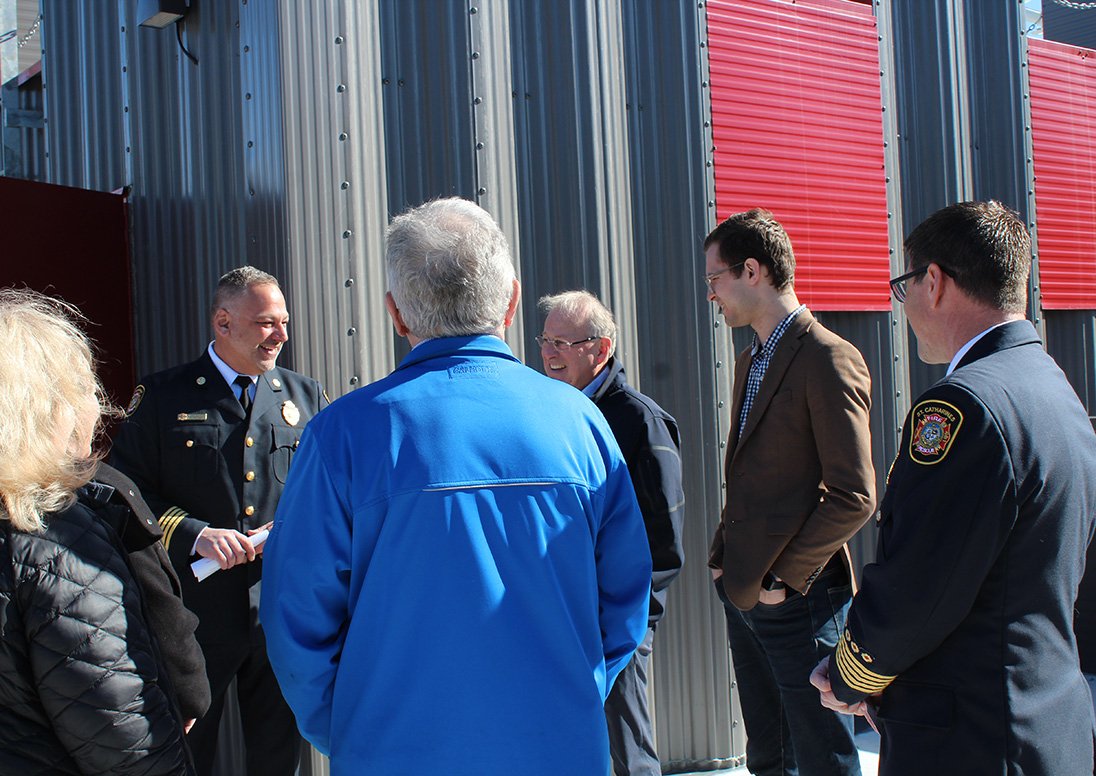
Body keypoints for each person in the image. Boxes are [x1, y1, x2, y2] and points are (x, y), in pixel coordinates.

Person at [260, 197, 652, 775]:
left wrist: (351, 726)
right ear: (513, 302)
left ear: (396, 314)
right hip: (558, 746)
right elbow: (625, 598)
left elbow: (296, 618)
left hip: (390, 751)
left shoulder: (342, 434)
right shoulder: (580, 422)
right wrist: (570, 694)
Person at [811, 200, 1096, 775]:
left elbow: (922, 581)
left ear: (934, 282)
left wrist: (851, 672)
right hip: (1045, 718)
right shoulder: (1051, 386)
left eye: (905, 285)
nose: (906, 305)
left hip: (971, 735)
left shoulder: (961, 405)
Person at [110, 267, 328, 776]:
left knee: (279, 755)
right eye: (266, 323)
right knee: (188, 752)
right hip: (194, 615)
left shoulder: (303, 395)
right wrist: (195, 533)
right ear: (223, 322)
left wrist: (292, 527)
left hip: (276, 610)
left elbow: (325, 488)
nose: (282, 336)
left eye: (284, 322)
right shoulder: (164, 396)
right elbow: (125, 490)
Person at [703, 208, 875, 776]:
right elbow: (753, 472)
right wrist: (723, 559)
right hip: (745, 592)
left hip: (799, 600)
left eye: (714, 279)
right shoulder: (753, 357)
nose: (711, 295)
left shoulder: (827, 357)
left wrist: (782, 579)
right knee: (769, 757)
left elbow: (853, 494)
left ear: (753, 270)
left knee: (823, 758)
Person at [0, 288, 192, 774]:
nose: (98, 405)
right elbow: (124, 737)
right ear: (48, 409)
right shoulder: (55, 537)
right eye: (87, 389)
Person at [537, 289, 684, 776]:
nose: (549, 352)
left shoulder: (638, 421)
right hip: (561, 614)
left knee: (627, 753)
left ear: (601, 350)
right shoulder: (547, 414)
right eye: (545, 340)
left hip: (614, 625)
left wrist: (630, 623)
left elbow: (665, 540)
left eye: (563, 342)